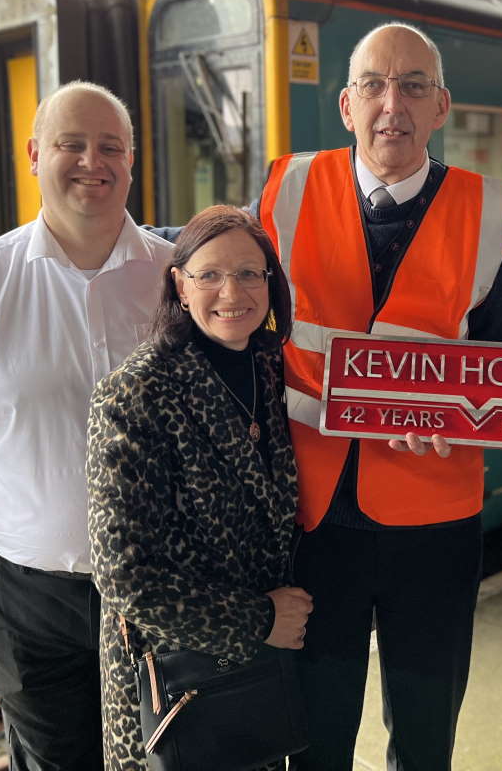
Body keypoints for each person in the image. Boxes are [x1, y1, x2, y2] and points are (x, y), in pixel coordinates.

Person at [256, 22, 502, 769]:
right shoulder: (284, 192)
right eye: (373, 84)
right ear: (346, 105)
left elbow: (497, 366)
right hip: (312, 518)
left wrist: (460, 418)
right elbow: (241, 323)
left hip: (434, 518)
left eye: (412, 86)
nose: (391, 104)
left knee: (426, 731)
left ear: (441, 107)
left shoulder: (490, 213)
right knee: (314, 732)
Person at [0, 81, 173, 770]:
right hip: (28, 598)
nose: (91, 161)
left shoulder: (178, 279)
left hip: (160, 585)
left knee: (169, 758)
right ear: (33, 155)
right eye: (70, 144)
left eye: (110, 146)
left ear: (131, 161)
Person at [87, 205, 310, 771]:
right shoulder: (134, 395)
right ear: (179, 285)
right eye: (209, 275)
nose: (230, 291)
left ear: (269, 283)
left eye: (248, 273)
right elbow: (125, 579)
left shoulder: (275, 368)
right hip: (180, 687)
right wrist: (258, 621)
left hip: (257, 682)